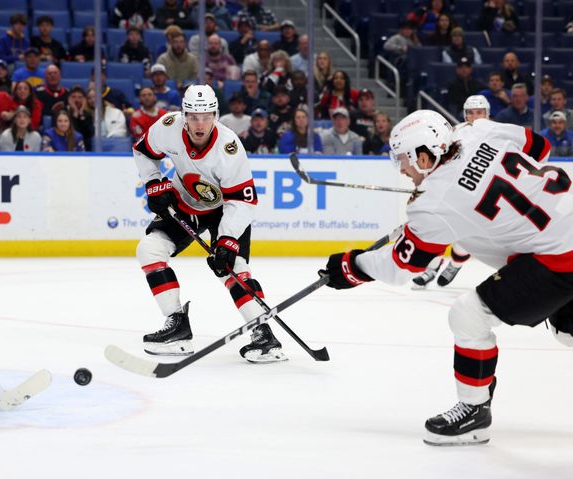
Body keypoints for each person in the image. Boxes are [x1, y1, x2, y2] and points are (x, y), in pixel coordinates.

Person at [323, 108, 568, 446]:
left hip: (559, 258)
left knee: (468, 315)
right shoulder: (477, 129)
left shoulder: (434, 202)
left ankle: (474, 410)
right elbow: (538, 147)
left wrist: (354, 266)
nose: (403, 169)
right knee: (566, 330)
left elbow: (400, 266)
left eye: (405, 160)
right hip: (562, 231)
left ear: (425, 154)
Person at [132, 84, 286, 362]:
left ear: (215, 115)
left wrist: (226, 240)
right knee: (149, 250)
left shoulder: (229, 149)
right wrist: (153, 181)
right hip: (185, 202)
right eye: (193, 116)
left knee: (232, 267)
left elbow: (243, 202)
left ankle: (263, 333)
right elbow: (142, 150)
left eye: (206, 116)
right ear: (183, 115)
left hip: (226, 210)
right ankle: (177, 326)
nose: (199, 124)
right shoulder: (167, 127)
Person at [412, 95, 490, 289]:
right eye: (470, 113)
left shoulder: (495, 132)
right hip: (454, 189)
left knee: (465, 236)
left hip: (480, 192)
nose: (475, 117)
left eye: (479, 112)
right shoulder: (455, 132)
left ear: (487, 114)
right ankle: (431, 268)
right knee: (439, 228)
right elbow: (442, 160)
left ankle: (455, 264)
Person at [65, 86, 94, 150]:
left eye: (80, 97)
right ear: (69, 99)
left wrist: (81, 114)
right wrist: (75, 113)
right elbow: (71, 133)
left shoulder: (88, 115)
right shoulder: (62, 113)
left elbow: (89, 133)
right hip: (66, 146)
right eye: (74, 97)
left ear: (84, 100)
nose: (77, 100)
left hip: (85, 148)